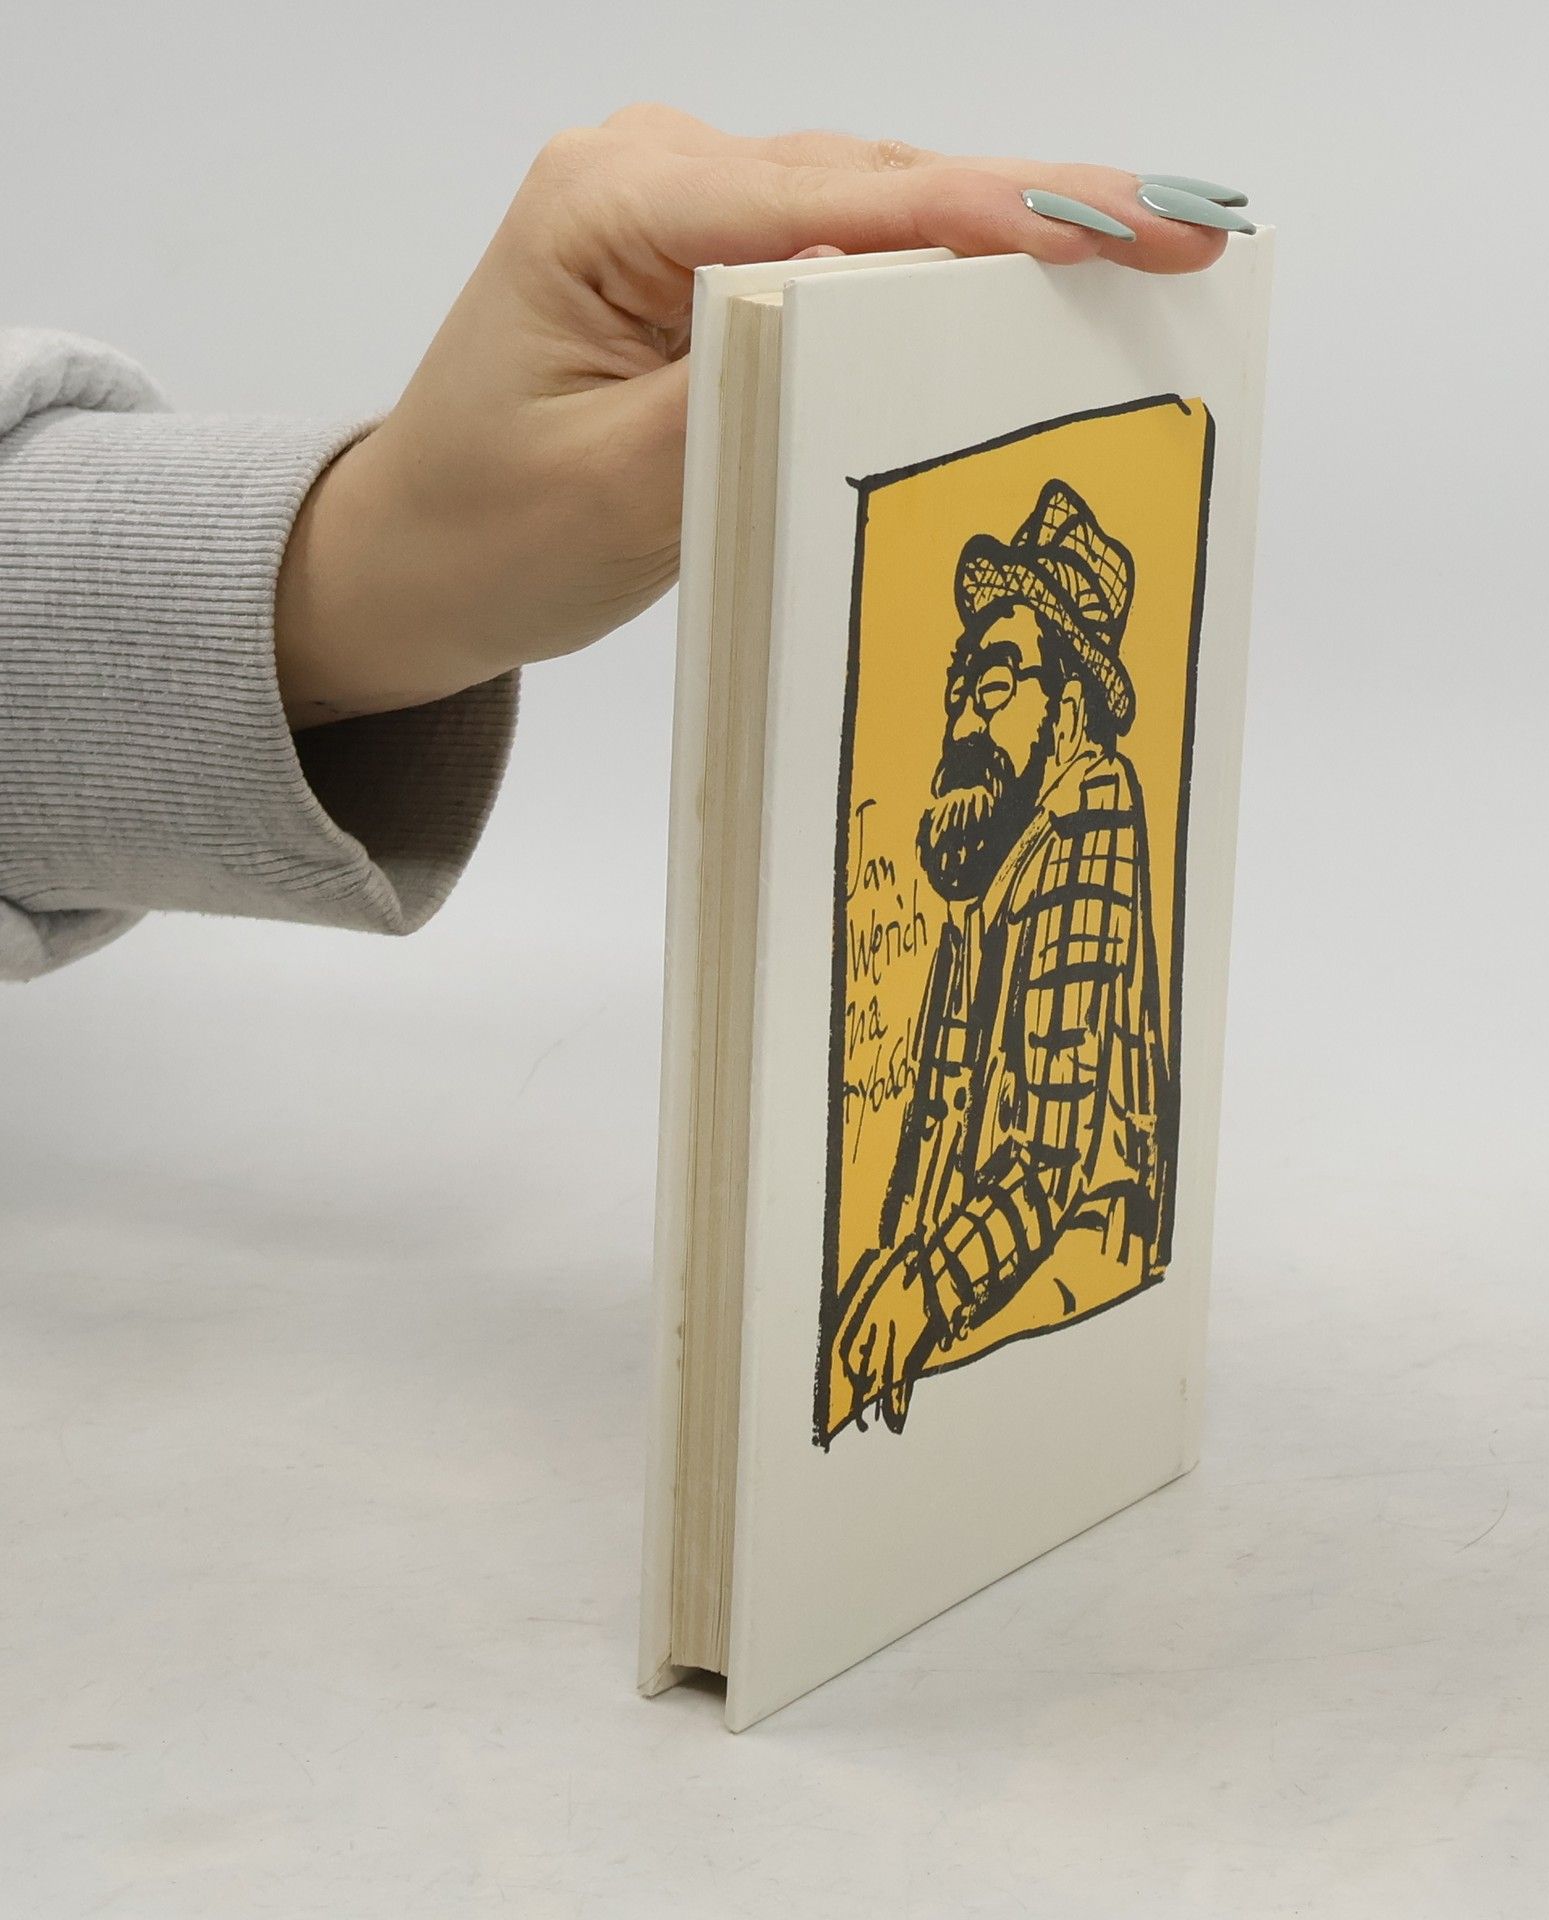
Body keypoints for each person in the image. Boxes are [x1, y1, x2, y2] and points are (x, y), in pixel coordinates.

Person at [0, 107, 1246, 982]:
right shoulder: (979, 875)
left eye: (1004, 676)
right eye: (970, 672)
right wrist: (365, 571)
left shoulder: (1079, 851)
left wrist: (354, 575)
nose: (965, 705)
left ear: (1077, 709)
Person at [833, 481, 1174, 1434]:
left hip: (1083, 1257)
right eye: (959, 694)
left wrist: (922, 1290)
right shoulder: (991, 868)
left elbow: (1051, 1159)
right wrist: (894, 1263)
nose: (961, 727)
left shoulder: (1092, 813)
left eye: (991, 690)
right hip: (996, 1253)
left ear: (1068, 710)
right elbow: (937, 1134)